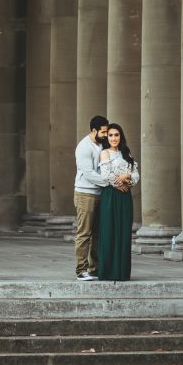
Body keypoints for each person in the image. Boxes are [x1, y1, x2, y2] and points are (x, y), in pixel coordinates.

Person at [97, 123, 139, 282]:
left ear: (121, 137)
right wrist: (120, 182)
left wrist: (126, 178)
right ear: (107, 137)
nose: (114, 138)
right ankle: (108, 271)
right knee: (109, 231)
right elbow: (106, 175)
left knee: (123, 232)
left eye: (116, 135)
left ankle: (122, 272)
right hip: (110, 196)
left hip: (125, 197)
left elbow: (135, 176)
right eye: (110, 135)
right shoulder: (105, 153)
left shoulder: (126, 153)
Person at [73, 115, 109, 280]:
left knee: (97, 234)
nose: (106, 134)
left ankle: (94, 269)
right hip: (84, 193)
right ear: (93, 130)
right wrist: (109, 182)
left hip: (100, 194)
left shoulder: (102, 144)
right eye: (103, 132)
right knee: (84, 233)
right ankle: (81, 270)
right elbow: (88, 173)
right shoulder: (83, 147)